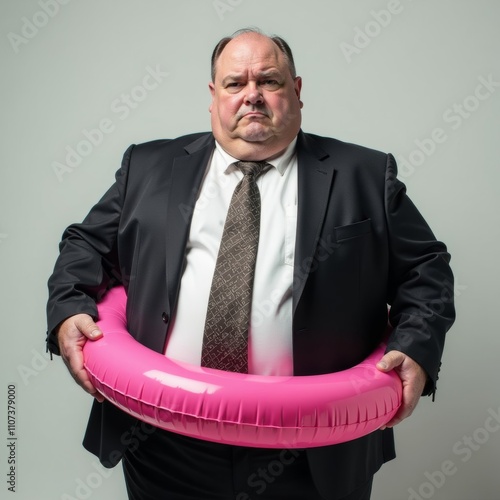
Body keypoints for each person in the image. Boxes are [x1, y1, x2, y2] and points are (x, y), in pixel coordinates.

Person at [46, 28, 455, 500]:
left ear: (297, 91)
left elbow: (426, 267)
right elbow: (85, 245)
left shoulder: (364, 174)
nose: (251, 96)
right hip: (162, 439)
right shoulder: (149, 166)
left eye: (269, 81)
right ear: (213, 96)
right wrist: (68, 308)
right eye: (235, 83)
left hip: (310, 447)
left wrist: (416, 346)